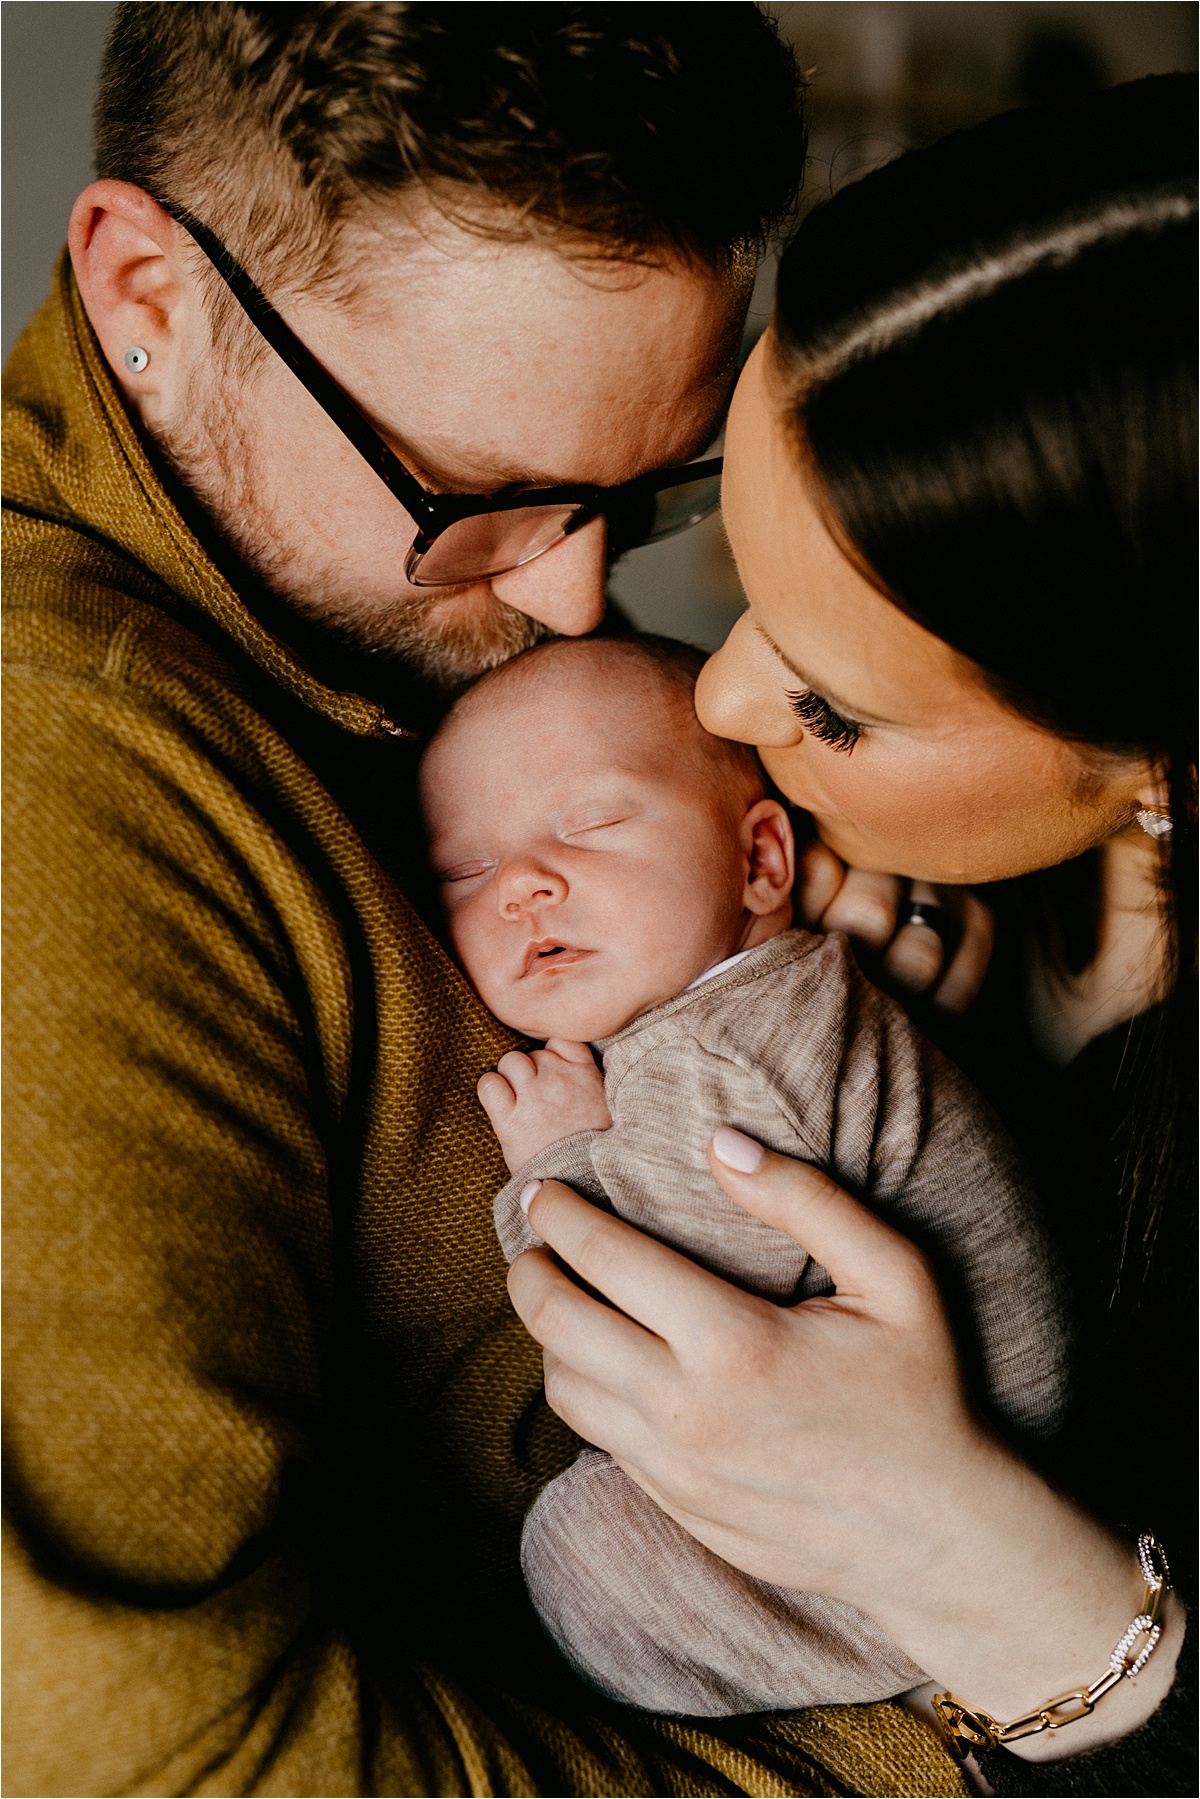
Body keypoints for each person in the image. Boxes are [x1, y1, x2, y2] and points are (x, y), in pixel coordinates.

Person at [8, 9, 971, 1796]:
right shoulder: (52, 771)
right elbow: (142, 1756)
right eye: (477, 505)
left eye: (638, 492)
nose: (588, 594)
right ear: (149, 290)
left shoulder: (347, 621)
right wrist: (936, 1744)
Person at [504, 76, 1196, 1798]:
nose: (721, 699)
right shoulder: (857, 895)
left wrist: (959, 1539)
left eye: (834, 701)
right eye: (730, 567)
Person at [419, 631, 1069, 1715]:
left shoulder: (717, 1053)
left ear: (761, 860)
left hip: (935, 1513)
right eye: (467, 870)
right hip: (949, 1461)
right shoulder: (769, 1001)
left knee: (577, 1548)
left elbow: (660, 1349)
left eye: (590, 823)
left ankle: (902, 1695)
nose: (524, 884)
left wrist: (555, 1164)